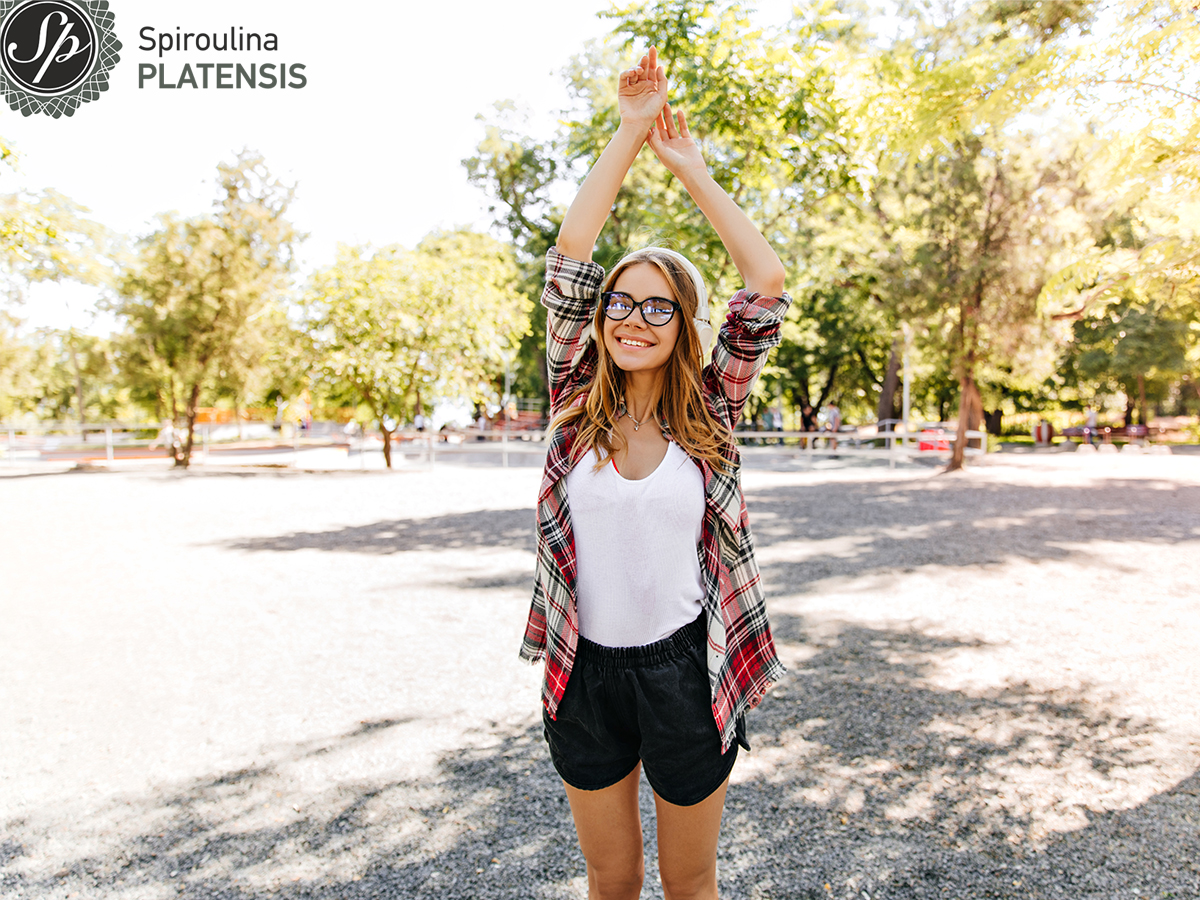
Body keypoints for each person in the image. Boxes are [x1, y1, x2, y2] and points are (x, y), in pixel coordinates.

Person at [519, 47, 788, 900]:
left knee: (691, 882)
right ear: (599, 321)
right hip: (582, 670)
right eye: (619, 302)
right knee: (611, 879)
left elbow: (767, 282)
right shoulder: (572, 402)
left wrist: (691, 170)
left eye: (658, 305)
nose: (634, 318)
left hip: (685, 668)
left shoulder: (710, 409)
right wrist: (632, 130)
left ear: (683, 324)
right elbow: (570, 255)